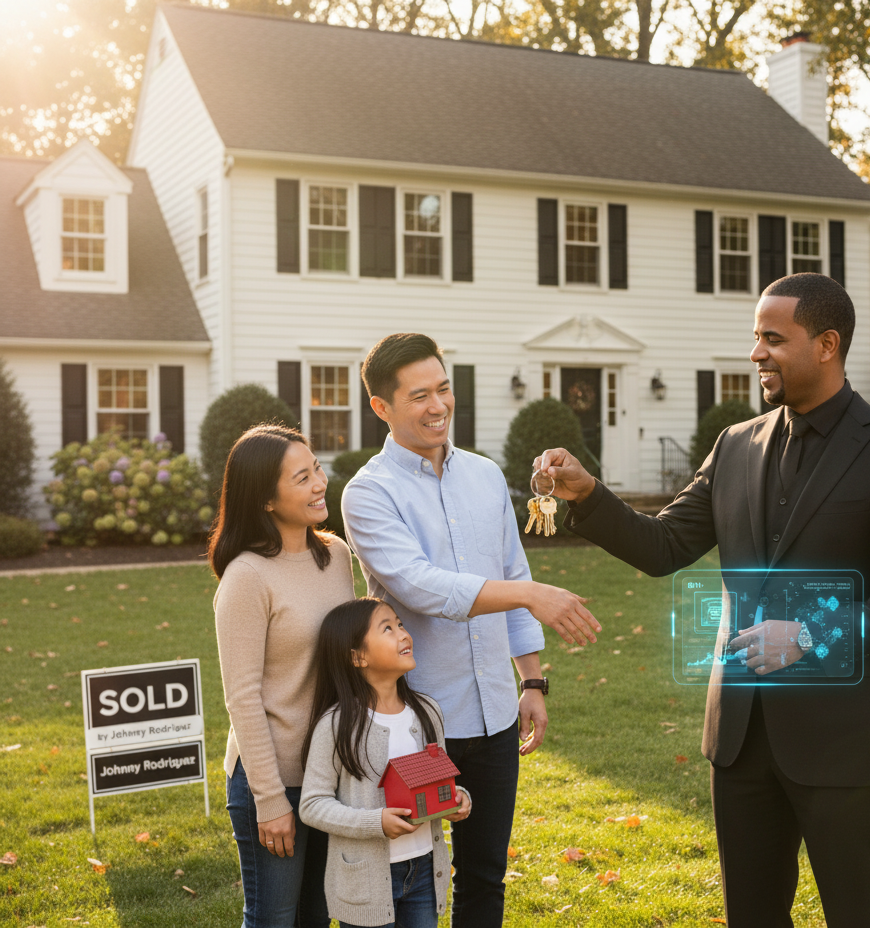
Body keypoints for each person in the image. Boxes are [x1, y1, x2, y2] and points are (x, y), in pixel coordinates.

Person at [536, 273, 870, 928]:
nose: (756, 353)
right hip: (740, 739)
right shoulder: (736, 444)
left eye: (771, 338)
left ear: (826, 344)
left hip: (843, 740)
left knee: (861, 916)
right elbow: (664, 546)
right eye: (754, 337)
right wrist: (589, 494)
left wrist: (810, 635)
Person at [341, 333, 600, 928]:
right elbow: (421, 587)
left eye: (444, 389)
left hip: (496, 717)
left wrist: (531, 682)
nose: (438, 406)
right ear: (382, 407)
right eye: (418, 397)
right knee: (411, 882)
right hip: (420, 725)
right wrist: (532, 596)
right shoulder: (369, 492)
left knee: (485, 876)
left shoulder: (484, 476)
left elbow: (511, 570)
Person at [211, 424, 356, 928]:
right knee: (274, 918)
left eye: (316, 468)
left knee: (318, 915)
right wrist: (271, 802)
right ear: (267, 500)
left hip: (328, 774)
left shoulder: (335, 555)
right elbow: (243, 698)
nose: (320, 483)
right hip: (272, 778)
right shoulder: (247, 576)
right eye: (302, 477)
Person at [299, 597, 472, 928]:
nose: (403, 634)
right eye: (388, 628)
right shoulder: (336, 726)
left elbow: (437, 779)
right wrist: (375, 822)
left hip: (424, 869)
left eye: (401, 624)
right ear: (358, 656)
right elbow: (312, 805)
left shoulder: (427, 712)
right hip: (366, 881)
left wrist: (456, 797)